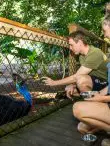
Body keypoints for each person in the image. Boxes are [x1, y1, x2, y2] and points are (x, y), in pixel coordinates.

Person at [72, 15, 110, 146]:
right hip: (105, 94)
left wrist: (101, 99)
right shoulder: (82, 57)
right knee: (81, 128)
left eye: (105, 31)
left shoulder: (96, 52)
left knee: (78, 108)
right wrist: (99, 95)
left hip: (106, 95)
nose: (105, 36)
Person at [43, 31, 109, 98]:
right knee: (71, 90)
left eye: (71, 45)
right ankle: (95, 99)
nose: (70, 48)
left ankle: (94, 101)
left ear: (80, 42)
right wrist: (73, 85)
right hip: (97, 82)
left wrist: (54, 83)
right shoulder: (81, 57)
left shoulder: (95, 53)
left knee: (81, 80)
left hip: (107, 83)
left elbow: (77, 77)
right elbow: (84, 74)